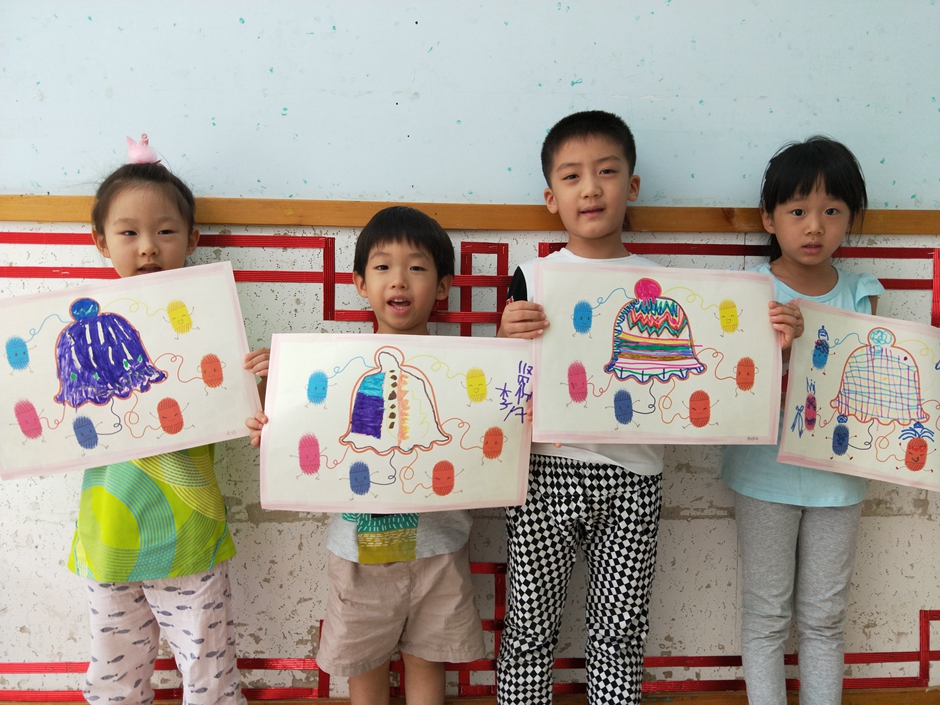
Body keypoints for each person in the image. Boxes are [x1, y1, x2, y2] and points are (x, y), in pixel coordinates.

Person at [495, 110, 799, 704]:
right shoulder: (531, 278)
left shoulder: (669, 284)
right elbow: (507, 385)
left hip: (635, 477)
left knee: (620, 633)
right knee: (529, 629)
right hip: (542, 474)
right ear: (551, 198)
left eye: (606, 172)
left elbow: (711, 367)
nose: (590, 188)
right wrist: (506, 337)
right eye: (572, 176)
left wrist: (773, 344)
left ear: (631, 186)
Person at [246, 206, 485, 705]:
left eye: (417, 267)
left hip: (439, 551)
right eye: (382, 267)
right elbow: (304, 430)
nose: (399, 280)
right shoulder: (336, 368)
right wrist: (275, 395)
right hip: (358, 555)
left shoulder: (463, 370)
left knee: (428, 661)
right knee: (365, 666)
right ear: (359, 283)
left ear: (443, 286)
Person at [71, 141, 254, 705]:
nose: (148, 246)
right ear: (101, 241)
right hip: (109, 537)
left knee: (209, 676)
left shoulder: (210, 321)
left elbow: (240, 412)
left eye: (165, 231)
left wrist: (267, 392)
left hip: (188, 536)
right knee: (114, 679)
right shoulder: (77, 333)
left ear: (193, 239)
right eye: (128, 232)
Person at [721, 136, 883, 705]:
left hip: (839, 479)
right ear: (769, 218)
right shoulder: (749, 291)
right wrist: (777, 352)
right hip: (763, 473)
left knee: (824, 618)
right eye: (797, 211)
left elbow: (867, 389)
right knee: (767, 615)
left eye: (832, 211)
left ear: (850, 219)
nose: (814, 226)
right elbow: (731, 383)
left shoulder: (862, 293)